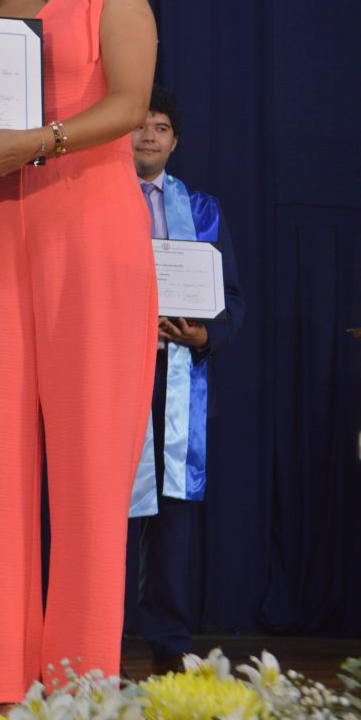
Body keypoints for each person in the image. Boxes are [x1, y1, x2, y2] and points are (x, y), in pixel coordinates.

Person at [0, 0, 159, 703]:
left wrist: (38, 141)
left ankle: (80, 692)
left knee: (89, 473)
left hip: (94, 238)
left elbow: (130, 104)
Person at [127, 84, 245, 672]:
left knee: (172, 517)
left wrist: (204, 337)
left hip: (174, 377)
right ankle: (90, 636)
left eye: (162, 127)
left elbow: (231, 300)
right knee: (102, 507)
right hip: (110, 373)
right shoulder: (96, 202)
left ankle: (168, 644)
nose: (149, 135)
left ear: (175, 142)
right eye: (140, 124)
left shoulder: (201, 210)